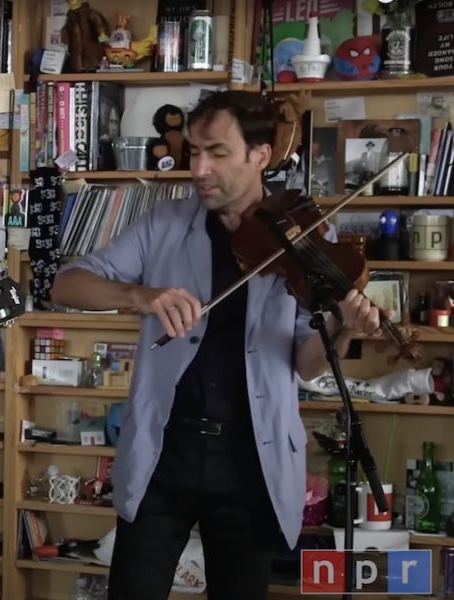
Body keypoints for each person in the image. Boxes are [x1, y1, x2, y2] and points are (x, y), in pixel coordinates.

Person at [51, 90, 388, 600]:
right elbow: (66, 284)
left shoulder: (305, 236)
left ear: (260, 155)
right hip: (164, 450)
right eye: (194, 152)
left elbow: (305, 363)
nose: (200, 169)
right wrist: (139, 295)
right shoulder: (163, 222)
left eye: (218, 153)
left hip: (253, 456)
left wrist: (345, 331)